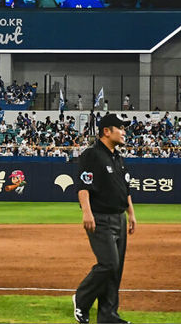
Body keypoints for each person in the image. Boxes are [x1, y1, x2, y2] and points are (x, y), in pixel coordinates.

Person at [73, 114, 136, 324]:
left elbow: (124, 189)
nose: (124, 131)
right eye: (121, 128)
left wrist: (131, 214)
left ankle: (108, 315)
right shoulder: (92, 155)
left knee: (115, 269)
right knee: (109, 263)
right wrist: (86, 212)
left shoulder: (117, 157)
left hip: (119, 217)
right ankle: (81, 299)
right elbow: (83, 185)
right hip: (100, 217)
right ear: (106, 131)